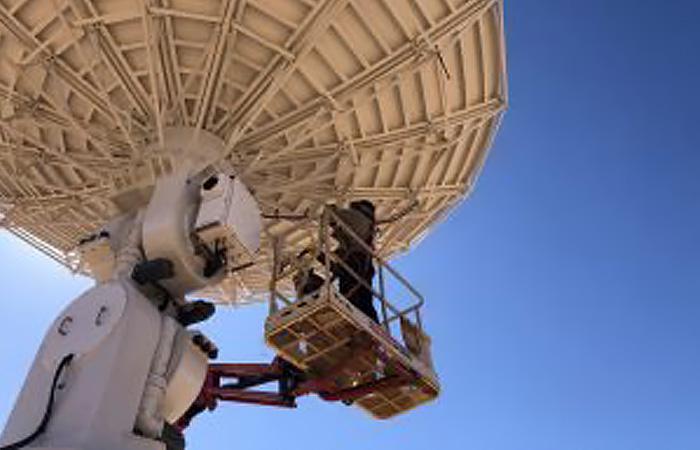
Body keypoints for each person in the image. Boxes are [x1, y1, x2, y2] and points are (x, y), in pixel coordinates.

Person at [326, 200, 379, 323]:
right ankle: (372, 324)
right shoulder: (367, 226)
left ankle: (356, 320)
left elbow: (331, 214)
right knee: (363, 298)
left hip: (355, 262)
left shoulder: (357, 217)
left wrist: (331, 208)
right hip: (362, 264)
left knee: (352, 296)